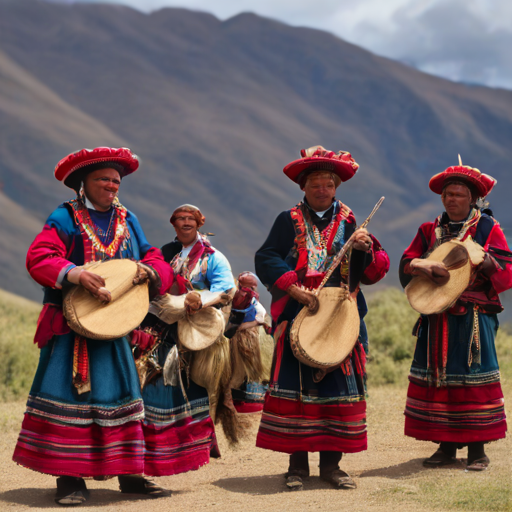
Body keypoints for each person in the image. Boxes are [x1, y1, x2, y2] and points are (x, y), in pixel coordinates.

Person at [12, 147, 173, 505]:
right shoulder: (65, 216)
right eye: (103, 179)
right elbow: (39, 256)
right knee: (72, 398)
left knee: (122, 397)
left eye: (116, 180)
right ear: (83, 183)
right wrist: (75, 274)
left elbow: (153, 256)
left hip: (116, 328)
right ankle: (69, 479)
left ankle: (130, 474)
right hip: (73, 330)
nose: (112, 185)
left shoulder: (128, 219)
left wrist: (150, 271)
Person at [254, 146, 389, 490]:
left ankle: (332, 466)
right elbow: (266, 256)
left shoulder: (349, 220)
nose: (322, 190)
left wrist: (365, 248)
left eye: (328, 184)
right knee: (297, 391)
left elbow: (372, 270)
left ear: (335, 187)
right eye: (315, 184)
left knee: (335, 390)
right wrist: (293, 288)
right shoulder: (287, 220)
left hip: (338, 315)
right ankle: (297, 466)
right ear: (303, 187)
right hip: (300, 310)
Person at [400, 161, 512, 471]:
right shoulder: (429, 230)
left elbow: (507, 274)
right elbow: (407, 263)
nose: (452, 199)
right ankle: (446, 446)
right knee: (442, 379)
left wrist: (485, 261)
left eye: (459, 194)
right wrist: (418, 265)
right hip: (437, 318)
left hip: (473, 318)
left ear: (473, 198)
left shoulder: (488, 229)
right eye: (448, 194)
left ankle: (478, 451)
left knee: (472, 379)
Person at [139, 204, 236, 476]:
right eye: (179, 219)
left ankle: (188, 447)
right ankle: (151, 448)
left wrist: (199, 300)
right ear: (173, 225)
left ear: (199, 223)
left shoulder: (213, 257)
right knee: (151, 383)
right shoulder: (164, 254)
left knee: (190, 387)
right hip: (159, 327)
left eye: (190, 218)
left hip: (194, 331)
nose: (185, 222)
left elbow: (225, 291)